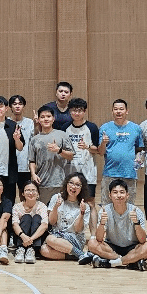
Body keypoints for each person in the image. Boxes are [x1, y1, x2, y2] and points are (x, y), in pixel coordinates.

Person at [85, 179, 147, 270]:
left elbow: (142, 240)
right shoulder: (104, 211)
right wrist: (102, 223)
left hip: (132, 247)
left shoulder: (136, 211)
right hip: (112, 248)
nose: (119, 195)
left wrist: (136, 223)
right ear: (110, 195)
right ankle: (129, 261)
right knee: (92, 243)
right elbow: (99, 239)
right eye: (115, 192)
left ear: (127, 195)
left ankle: (111, 263)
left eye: (122, 192)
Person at [98, 99, 144, 205]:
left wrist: (139, 160)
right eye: (116, 109)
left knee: (129, 205)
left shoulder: (136, 128)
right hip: (110, 173)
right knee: (107, 205)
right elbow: (100, 152)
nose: (118, 111)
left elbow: (140, 149)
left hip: (129, 173)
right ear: (112, 111)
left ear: (127, 111)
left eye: (121, 109)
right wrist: (103, 143)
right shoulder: (105, 128)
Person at [28, 105, 74, 204]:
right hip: (40, 182)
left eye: (48, 116)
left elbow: (71, 156)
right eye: (42, 117)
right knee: (42, 211)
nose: (46, 119)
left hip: (59, 182)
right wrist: (33, 174)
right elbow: (32, 160)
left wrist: (59, 150)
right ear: (38, 120)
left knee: (58, 210)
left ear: (53, 119)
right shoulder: (34, 139)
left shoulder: (62, 135)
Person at [65, 98, 99, 228]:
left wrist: (87, 147)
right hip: (70, 171)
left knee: (90, 203)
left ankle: (93, 235)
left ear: (84, 111)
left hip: (88, 172)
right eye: (74, 110)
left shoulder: (92, 127)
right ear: (70, 111)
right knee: (70, 202)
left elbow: (98, 150)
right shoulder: (65, 128)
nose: (76, 113)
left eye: (79, 110)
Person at [43, 172, 90, 262]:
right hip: (57, 237)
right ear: (66, 184)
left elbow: (78, 230)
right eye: (71, 183)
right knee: (44, 250)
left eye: (77, 185)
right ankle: (79, 255)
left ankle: (78, 253)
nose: (73, 187)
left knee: (49, 239)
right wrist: (56, 207)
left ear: (82, 188)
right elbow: (52, 222)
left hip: (75, 238)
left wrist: (82, 213)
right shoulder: (56, 197)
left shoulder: (85, 206)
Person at [12, 181, 49, 264]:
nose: (31, 193)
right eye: (27, 190)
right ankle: (20, 249)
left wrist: (30, 239)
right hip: (21, 238)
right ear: (23, 193)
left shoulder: (42, 206)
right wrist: (23, 237)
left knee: (36, 217)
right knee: (26, 217)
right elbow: (15, 224)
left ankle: (31, 250)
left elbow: (44, 225)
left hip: (36, 239)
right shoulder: (17, 207)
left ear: (38, 193)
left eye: (33, 190)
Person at [9, 95, 35, 202]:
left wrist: (37, 126)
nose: (17, 106)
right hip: (9, 165)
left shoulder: (30, 123)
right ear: (10, 107)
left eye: (20, 104)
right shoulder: (6, 122)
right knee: (9, 195)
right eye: (14, 104)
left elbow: (34, 141)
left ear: (24, 106)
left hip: (25, 164)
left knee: (24, 194)